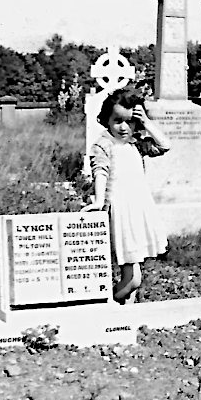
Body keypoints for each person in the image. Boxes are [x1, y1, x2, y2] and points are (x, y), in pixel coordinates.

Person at [83, 87, 171, 304]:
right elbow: (100, 172)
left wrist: (147, 123)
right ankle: (115, 298)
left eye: (129, 121)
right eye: (117, 121)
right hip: (120, 208)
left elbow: (165, 146)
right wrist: (99, 200)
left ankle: (125, 306)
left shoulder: (136, 143)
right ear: (107, 120)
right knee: (131, 271)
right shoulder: (104, 144)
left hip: (138, 206)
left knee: (133, 265)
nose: (124, 127)